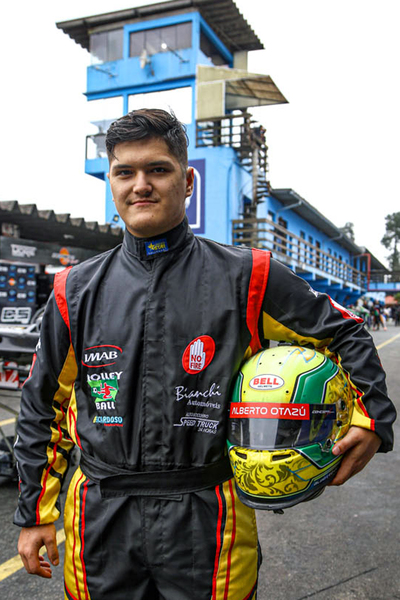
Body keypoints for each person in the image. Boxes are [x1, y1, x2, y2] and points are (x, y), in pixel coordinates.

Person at [14, 109, 396, 600]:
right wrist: (34, 513)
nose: (140, 185)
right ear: (111, 184)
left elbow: (345, 332)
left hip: (209, 516)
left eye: (158, 169)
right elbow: (41, 405)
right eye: (125, 172)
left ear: (188, 181)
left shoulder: (248, 275)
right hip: (100, 517)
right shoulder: (74, 289)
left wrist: (372, 418)